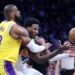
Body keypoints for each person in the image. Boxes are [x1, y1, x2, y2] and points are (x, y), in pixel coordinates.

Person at [0, 4, 70, 75]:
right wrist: (44, 46)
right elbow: (37, 56)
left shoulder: (34, 40)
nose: (37, 32)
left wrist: (66, 53)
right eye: (34, 29)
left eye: (37, 29)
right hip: (10, 66)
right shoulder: (21, 38)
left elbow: (49, 58)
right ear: (26, 28)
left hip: (23, 69)